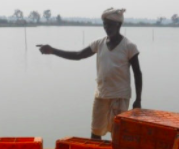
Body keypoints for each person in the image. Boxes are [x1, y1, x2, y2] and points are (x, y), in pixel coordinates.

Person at [38, 8, 142, 140]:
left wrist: (138, 99)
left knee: (119, 134)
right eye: (105, 24)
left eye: (110, 24)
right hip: (101, 95)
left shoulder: (129, 46)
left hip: (120, 96)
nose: (106, 27)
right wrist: (53, 51)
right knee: (95, 132)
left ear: (118, 25)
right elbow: (78, 55)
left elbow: (137, 73)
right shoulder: (99, 44)